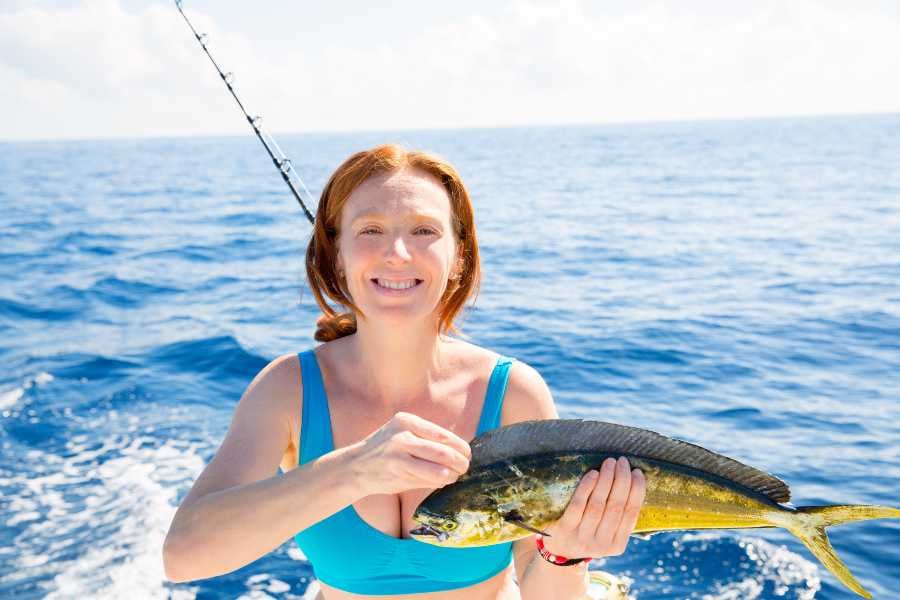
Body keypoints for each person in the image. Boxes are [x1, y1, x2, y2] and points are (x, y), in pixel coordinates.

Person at [162, 144, 646, 599]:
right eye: (370, 230)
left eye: (424, 231)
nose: (397, 253)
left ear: (458, 255)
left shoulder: (514, 391)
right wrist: (351, 472)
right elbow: (183, 556)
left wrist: (565, 555)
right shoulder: (286, 390)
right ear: (336, 255)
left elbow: (542, 587)